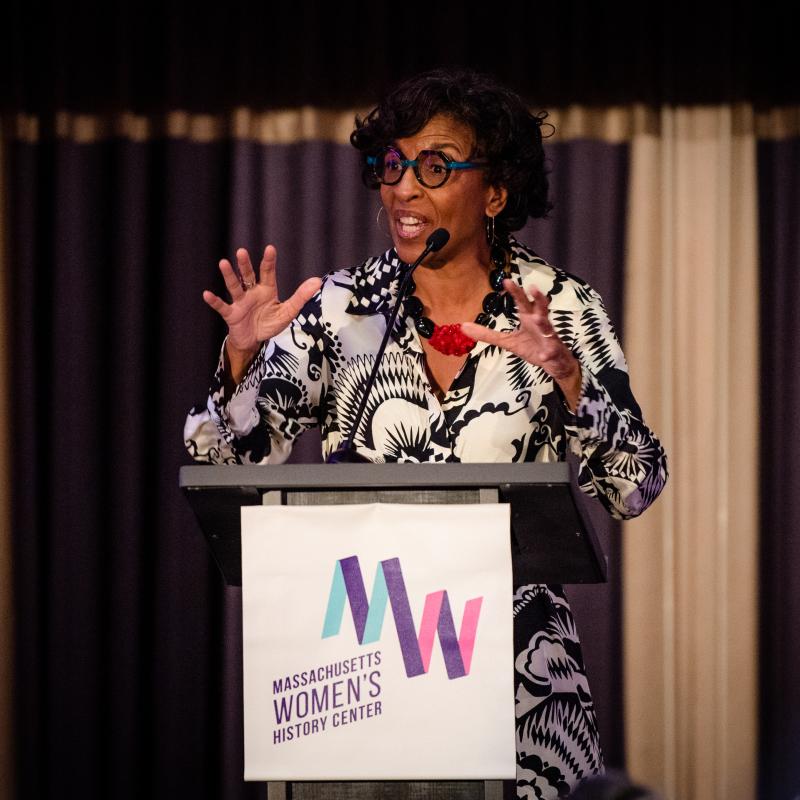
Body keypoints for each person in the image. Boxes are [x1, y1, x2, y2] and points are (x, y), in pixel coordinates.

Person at [184, 67, 667, 799]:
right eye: (392, 165)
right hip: (366, 684)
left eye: (435, 167)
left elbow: (637, 488)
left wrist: (573, 382)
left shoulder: (559, 306)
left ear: (495, 191)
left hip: (520, 694)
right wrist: (240, 362)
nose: (403, 189)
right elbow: (220, 459)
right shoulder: (343, 311)